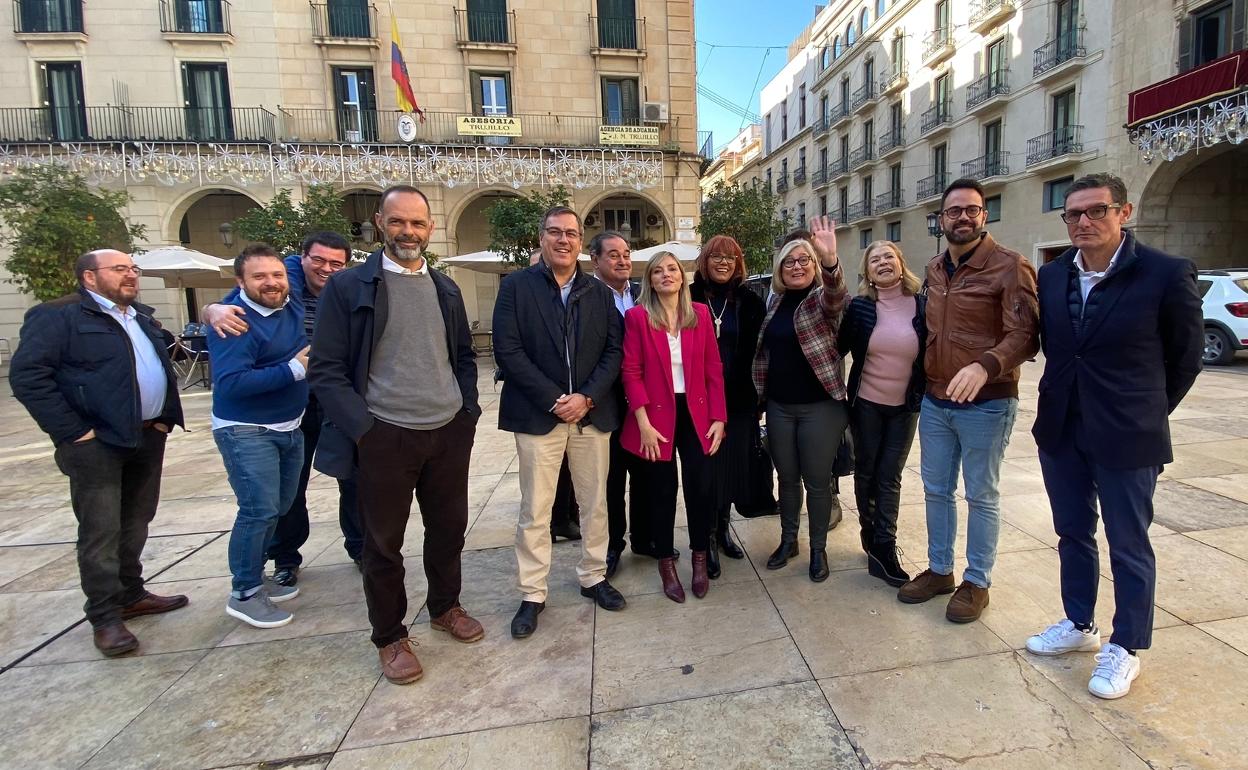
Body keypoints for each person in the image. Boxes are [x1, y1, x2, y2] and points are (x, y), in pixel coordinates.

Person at [1024, 173, 1202, 700]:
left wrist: (1146, 411)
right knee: (1072, 532)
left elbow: (1186, 358)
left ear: (1124, 213)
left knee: (1128, 542)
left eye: (1096, 210)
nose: (1084, 221)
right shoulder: (1052, 275)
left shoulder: (1165, 273)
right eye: (1073, 214)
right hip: (1062, 428)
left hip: (1128, 434)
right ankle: (1080, 623)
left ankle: (1126, 645)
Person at [310, 185, 482, 685]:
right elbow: (326, 369)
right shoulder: (349, 287)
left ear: (431, 228)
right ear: (380, 223)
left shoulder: (446, 289)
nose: (409, 231)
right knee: (383, 543)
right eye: (399, 221)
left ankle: (445, 607)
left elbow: (463, 357)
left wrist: (466, 411)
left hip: (446, 431)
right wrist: (365, 430)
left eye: (418, 223)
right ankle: (389, 636)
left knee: (448, 529)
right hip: (384, 435)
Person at [10, 250, 188, 657]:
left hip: (147, 435)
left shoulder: (140, 317)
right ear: (89, 277)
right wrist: (74, 431)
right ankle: (105, 616)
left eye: (133, 269)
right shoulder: (58, 316)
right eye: (120, 269)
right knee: (101, 531)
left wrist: (163, 419)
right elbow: (27, 376)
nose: (131, 275)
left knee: (136, 521)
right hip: (97, 444)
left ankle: (131, 593)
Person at [898, 178, 1039, 623]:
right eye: (954, 210)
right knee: (936, 490)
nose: (963, 217)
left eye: (971, 209)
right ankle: (940, 571)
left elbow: (1026, 334)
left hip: (988, 403)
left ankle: (977, 581)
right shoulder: (935, 268)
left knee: (981, 494)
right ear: (941, 219)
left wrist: (986, 366)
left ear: (984, 215)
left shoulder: (1010, 266)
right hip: (936, 400)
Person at [494, 205, 627, 639]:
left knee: (595, 503)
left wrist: (586, 397)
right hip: (539, 415)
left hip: (591, 415)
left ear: (580, 242)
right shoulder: (515, 287)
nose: (563, 239)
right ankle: (532, 593)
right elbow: (508, 351)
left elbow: (614, 351)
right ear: (542, 238)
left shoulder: (599, 293)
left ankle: (593, 576)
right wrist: (556, 400)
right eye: (555, 232)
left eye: (571, 233)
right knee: (536, 509)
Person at [201, 232, 363, 585]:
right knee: (289, 490)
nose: (326, 268)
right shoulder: (285, 284)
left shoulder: (349, 287)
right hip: (294, 397)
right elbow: (244, 294)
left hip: (339, 396)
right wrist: (211, 309)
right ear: (301, 259)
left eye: (336, 263)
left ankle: (361, 548)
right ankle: (285, 557)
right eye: (318, 260)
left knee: (354, 478)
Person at [209, 244, 310, 629]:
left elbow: (301, 262)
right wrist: (294, 370)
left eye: (276, 275)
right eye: (259, 277)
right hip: (246, 431)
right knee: (258, 510)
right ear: (240, 282)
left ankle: (254, 574)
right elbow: (231, 384)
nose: (271, 282)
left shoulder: (288, 296)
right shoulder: (233, 321)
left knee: (279, 506)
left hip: (289, 426)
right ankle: (245, 592)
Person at [621, 250, 727, 602]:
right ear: (650, 280)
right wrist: (642, 422)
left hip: (697, 414)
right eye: (658, 271)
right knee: (661, 492)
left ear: (682, 277)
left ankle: (699, 559)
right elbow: (631, 372)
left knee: (700, 489)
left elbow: (713, 369)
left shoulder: (699, 314)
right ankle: (666, 563)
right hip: (655, 417)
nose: (666, 274)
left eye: (672, 269)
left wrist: (719, 418)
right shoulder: (637, 317)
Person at [752, 215, 849, 583]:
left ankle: (818, 549)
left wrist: (830, 259)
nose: (796, 266)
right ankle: (788, 540)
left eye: (804, 260)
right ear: (780, 269)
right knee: (787, 479)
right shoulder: (774, 303)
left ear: (814, 265)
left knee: (818, 481)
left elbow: (836, 294)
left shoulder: (821, 301)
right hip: (779, 407)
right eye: (789, 262)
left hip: (820, 408)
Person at [837, 240, 925, 587]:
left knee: (890, 476)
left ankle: (884, 546)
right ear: (868, 273)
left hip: (905, 407)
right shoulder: (860, 307)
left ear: (901, 263)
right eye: (875, 260)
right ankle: (869, 532)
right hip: (867, 405)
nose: (883, 263)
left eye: (889, 256)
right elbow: (837, 347)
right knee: (867, 472)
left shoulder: (922, 304)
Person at [689, 235, 765, 578]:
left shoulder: (750, 301)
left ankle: (722, 530)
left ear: (738, 264)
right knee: (706, 470)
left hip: (739, 399)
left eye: (730, 258)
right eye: (716, 257)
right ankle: (705, 537)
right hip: (698, 399)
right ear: (705, 261)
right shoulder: (689, 296)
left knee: (731, 469)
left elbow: (761, 353)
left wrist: (761, 397)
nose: (723, 263)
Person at [588, 230, 656, 577]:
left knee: (645, 476)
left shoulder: (644, 296)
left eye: (626, 254)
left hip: (644, 404)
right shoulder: (585, 297)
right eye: (613, 254)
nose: (623, 260)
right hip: (606, 405)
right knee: (611, 481)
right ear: (595, 260)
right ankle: (614, 544)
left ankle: (644, 538)